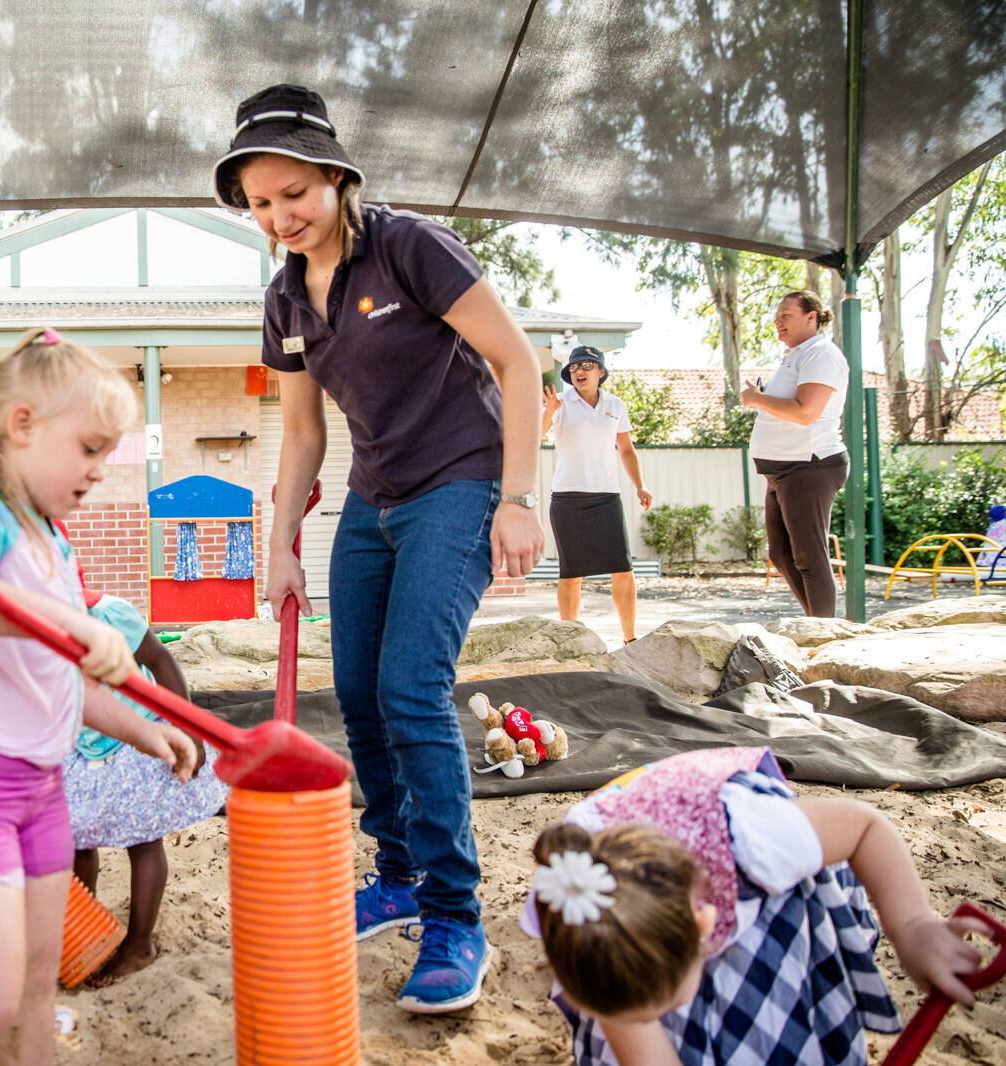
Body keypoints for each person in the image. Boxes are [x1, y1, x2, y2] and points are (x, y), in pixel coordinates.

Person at [215, 83, 546, 1013]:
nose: (280, 216)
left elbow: (519, 362)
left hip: (463, 481)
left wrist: (519, 497)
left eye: (294, 192)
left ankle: (454, 916)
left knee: (410, 687)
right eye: (261, 203)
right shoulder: (285, 297)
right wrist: (279, 546)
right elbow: (302, 434)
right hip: (375, 496)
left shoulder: (408, 247)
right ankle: (397, 875)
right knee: (357, 692)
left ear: (335, 176)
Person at [0, 327, 199, 1065]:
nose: (101, 469)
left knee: (39, 987)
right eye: (91, 448)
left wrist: (146, 731)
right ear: (22, 425)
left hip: (41, 792)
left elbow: (64, 681)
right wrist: (68, 621)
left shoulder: (52, 540)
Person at [523, 747, 989, 1065]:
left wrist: (912, 926)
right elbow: (627, 1014)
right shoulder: (577, 907)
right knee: (644, 998)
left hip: (768, 889)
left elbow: (865, 827)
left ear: (704, 927)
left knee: (761, 1003)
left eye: (656, 1011)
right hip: (672, 879)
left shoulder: (759, 837)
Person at [63, 589, 227, 985]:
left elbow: (161, 660)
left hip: (138, 740)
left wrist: (187, 725)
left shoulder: (109, 614)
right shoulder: (37, 629)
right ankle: (85, 930)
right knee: (75, 840)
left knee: (143, 841)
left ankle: (139, 945)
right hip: (83, 744)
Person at [742, 290, 849, 617]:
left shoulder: (821, 354)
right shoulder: (795, 356)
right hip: (782, 471)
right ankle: (816, 623)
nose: (778, 322)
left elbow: (805, 412)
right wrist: (763, 396)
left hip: (809, 466)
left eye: (786, 316)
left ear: (811, 317)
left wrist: (757, 399)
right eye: (776, 318)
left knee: (809, 557)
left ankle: (824, 632)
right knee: (781, 554)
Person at [541, 346, 652, 643]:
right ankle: (569, 640)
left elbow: (625, 449)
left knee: (623, 569)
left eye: (587, 365)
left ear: (601, 372)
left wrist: (640, 485)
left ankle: (630, 640)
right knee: (571, 574)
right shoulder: (560, 402)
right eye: (574, 367)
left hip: (606, 498)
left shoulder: (615, 405)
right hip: (567, 498)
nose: (580, 371)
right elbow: (536, 434)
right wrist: (549, 411)